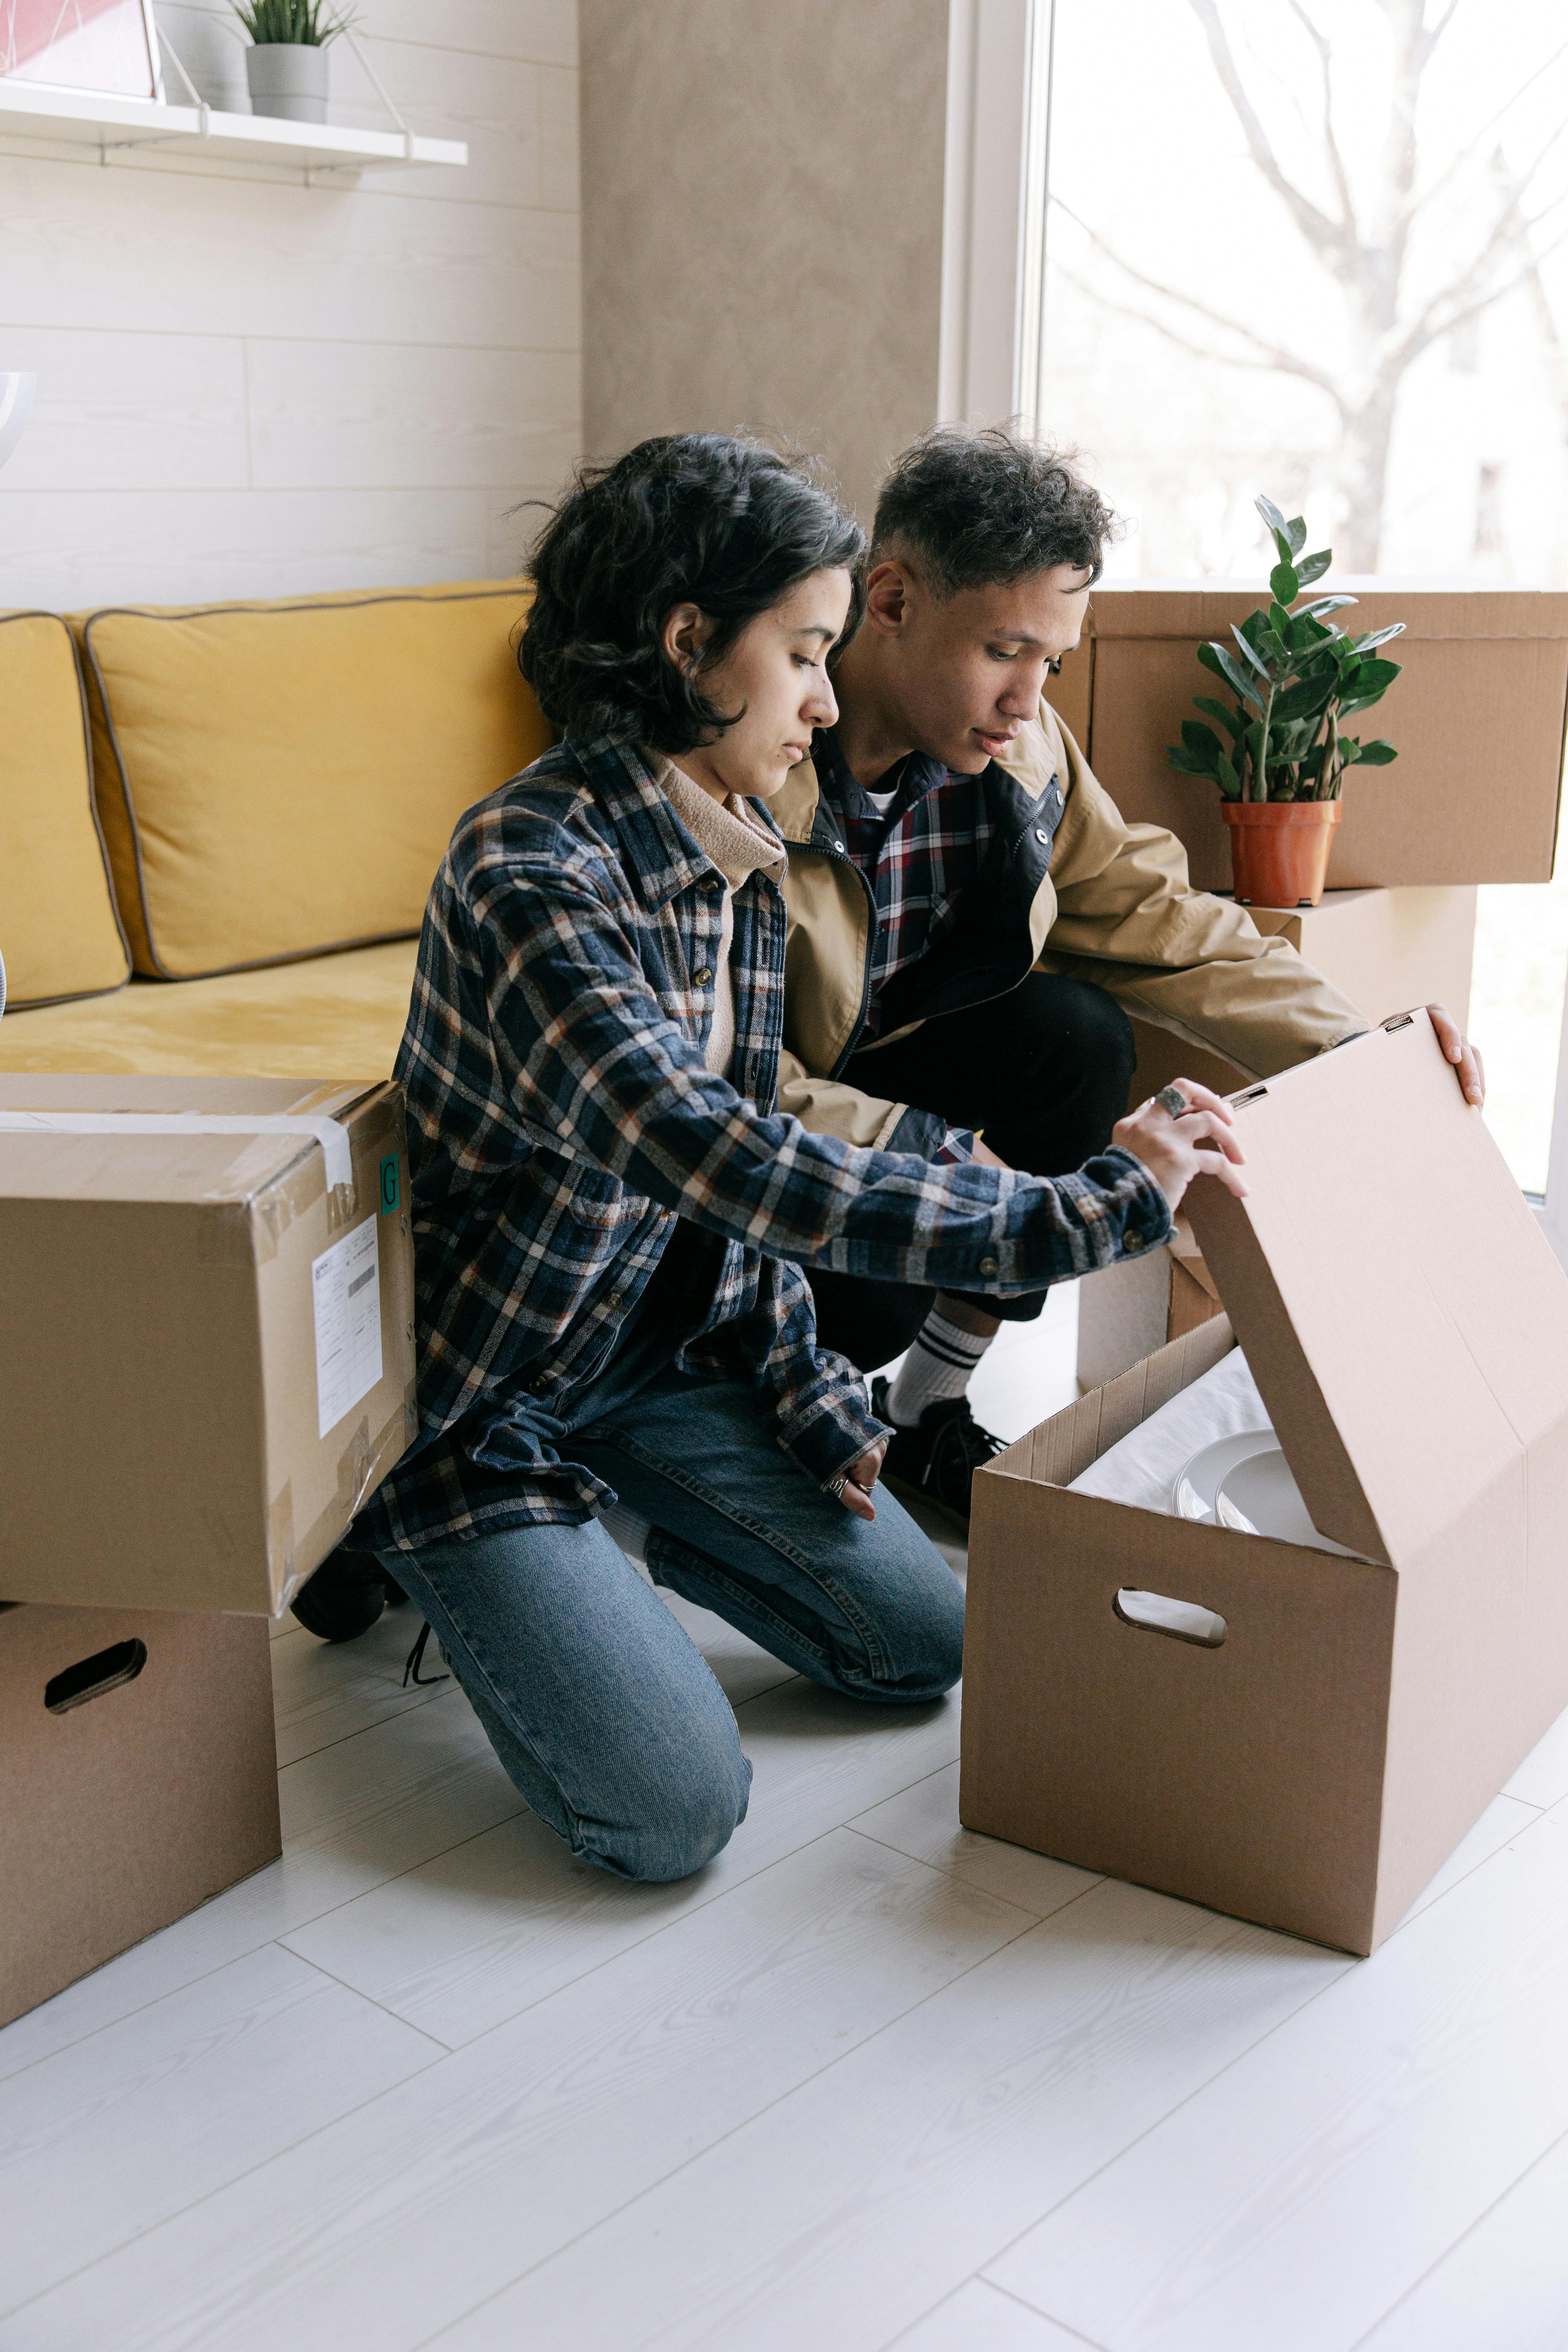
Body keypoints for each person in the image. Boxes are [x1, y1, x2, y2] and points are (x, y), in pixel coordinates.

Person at [303, 431, 1244, 1885]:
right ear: (692, 644)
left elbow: (746, 1187)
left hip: (660, 1360)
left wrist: (805, 1386)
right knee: (672, 1813)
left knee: (924, 1640)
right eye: (803, 653)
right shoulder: (529, 876)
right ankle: (413, 1527)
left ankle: (616, 1542)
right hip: (490, 1395)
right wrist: (1095, 1204)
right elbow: (724, 1153)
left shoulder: (736, 846)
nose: (820, 697)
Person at [775, 425, 1485, 1518]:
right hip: (767, 1116)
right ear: (892, 601)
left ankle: (926, 1412)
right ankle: (776, 1405)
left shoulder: (1024, 749)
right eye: (1006, 650)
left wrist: (1363, 1052)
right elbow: (720, 1076)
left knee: (1080, 1039)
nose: (1029, 695)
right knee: (866, 1303)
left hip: (895, 1059)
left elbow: (1155, 913)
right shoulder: (757, 759)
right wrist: (955, 1169)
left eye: (1051, 659)